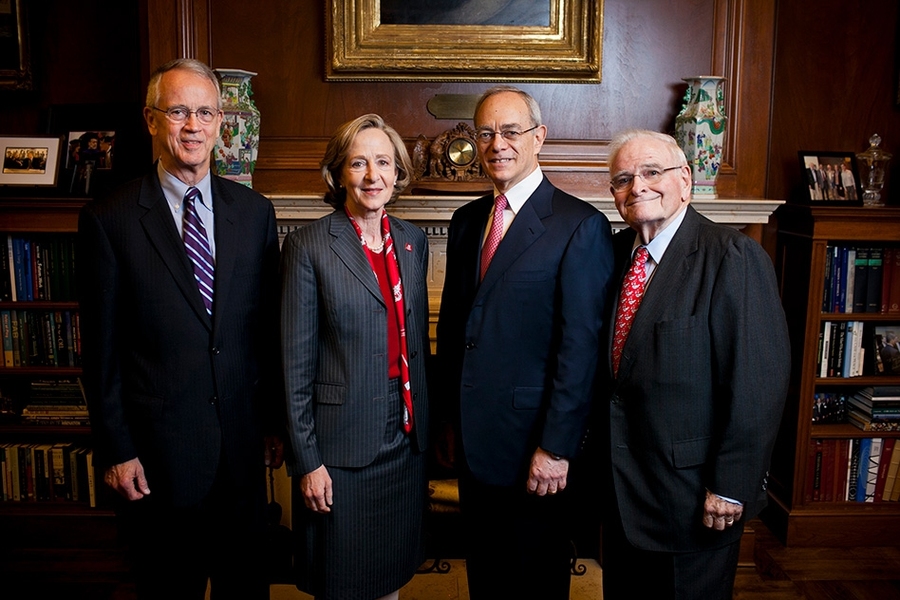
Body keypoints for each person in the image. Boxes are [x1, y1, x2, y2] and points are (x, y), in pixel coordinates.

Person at [77, 58, 285, 600]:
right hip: (158, 461)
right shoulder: (111, 217)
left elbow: (264, 333)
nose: (192, 125)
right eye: (177, 111)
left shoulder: (256, 213)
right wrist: (117, 449)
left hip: (242, 456)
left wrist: (273, 425)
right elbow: (101, 352)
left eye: (204, 112)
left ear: (220, 123)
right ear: (151, 120)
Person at [435, 85, 615, 599]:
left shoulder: (579, 225)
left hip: (536, 450)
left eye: (511, 131)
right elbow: (455, 331)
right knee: (487, 579)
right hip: (473, 442)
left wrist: (556, 447)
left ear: (539, 137)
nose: (497, 144)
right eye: (486, 133)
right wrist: (449, 417)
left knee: (535, 581)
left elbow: (579, 352)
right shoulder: (468, 220)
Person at [597, 129, 790, 599]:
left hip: (694, 497)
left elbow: (758, 384)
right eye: (623, 178)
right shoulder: (612, 255)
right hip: (624, 492)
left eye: (651, 172)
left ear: (685, 180)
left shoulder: (733, 256)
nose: (637, 185)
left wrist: (731, 485)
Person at [281, 113, 431, 600]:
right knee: (342, 580)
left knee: (391, 575)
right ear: (338, 173)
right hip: (341, 445)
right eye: (359, 163)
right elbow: (294, 364)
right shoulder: (309, 246)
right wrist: (307, 461)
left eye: (383, 163)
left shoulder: (412, 241)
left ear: (398, 173)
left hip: (404, 438)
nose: (373, 176)